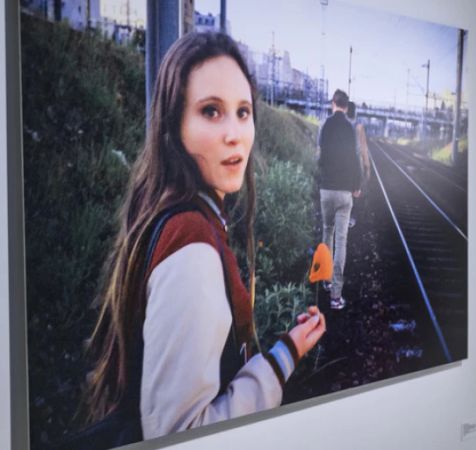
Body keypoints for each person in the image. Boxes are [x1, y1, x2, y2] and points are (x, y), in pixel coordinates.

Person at [80, 32, 326, 443]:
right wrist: (283, 358)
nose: (235, 133)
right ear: (174, 126)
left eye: (243, 111)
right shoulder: (192, 245)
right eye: (211, 111)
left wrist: (288, 346)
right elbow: (182, 433)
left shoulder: (176, 212)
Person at [318, 89, 362, 310]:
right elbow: (356, 158)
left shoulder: (324, 126)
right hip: (345, 192)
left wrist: (324, 177)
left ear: (333, 103)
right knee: (341, 242)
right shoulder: (350, 128)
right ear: (346, 106)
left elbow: (320, 157)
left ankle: (325, 281)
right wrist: (357, 185)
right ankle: (336, 296)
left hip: (326, 189)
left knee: (327, 232)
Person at [346, 101, 371, 229]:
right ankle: (351, 217)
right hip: (355, 164)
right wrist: (367, 167)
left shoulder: (340, 125)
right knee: (356, 190)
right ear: (355, 113)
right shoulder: (359, 127)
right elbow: (364, 150)